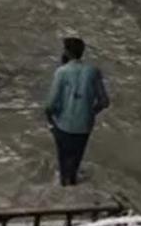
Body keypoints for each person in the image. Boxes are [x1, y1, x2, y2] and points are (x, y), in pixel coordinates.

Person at [45, 37, 110, 186]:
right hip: (84, 125)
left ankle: (63, 187)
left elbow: (49, 105)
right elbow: (104, 102)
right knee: (75, 160)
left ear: (67, 52)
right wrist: (91, 112)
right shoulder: (93, 71)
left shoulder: (61, 72)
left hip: (63, 124)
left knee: (64, 161)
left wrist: (50, 121)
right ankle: (73, 183)